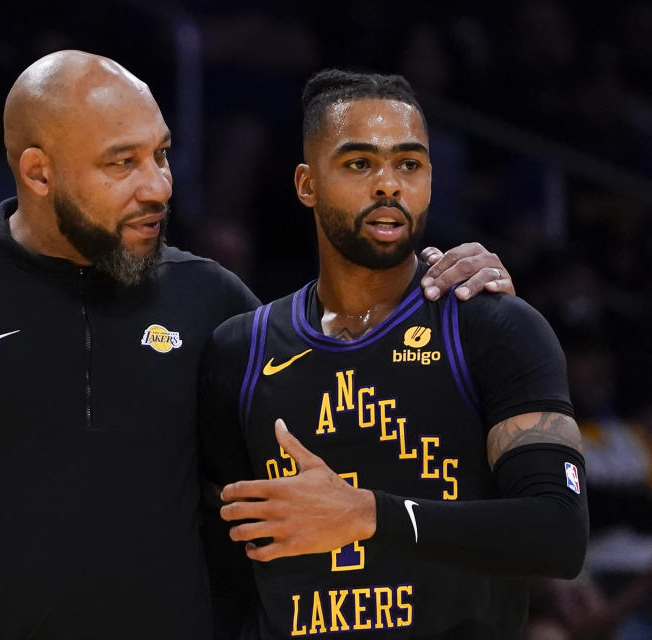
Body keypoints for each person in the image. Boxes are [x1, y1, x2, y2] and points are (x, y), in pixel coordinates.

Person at [0, 51, 515, 639]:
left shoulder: (214, 304)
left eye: (162, 154)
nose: (158, 187)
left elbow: (357, 459)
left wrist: (461, 318)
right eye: (122, 164)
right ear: (38, 172)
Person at [200, 69, 588, 639]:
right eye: (360, 164)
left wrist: (368, 516)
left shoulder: (494, 326)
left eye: (409, 164)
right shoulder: (239, 350)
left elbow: (559, 534)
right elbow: (222, 557)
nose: (389, 184)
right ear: (307, 185)